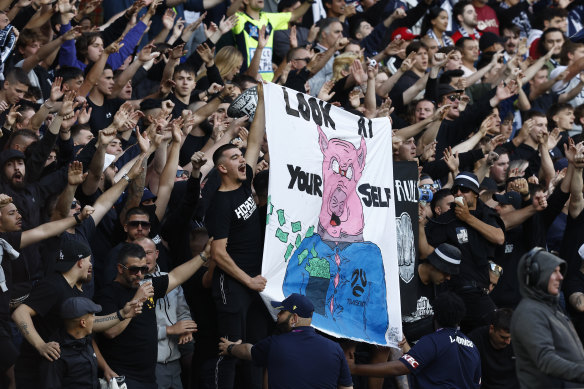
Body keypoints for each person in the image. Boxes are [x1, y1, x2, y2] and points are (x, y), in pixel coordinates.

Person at [205, 82, 270, 388]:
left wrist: (261, 99)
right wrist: (248, 281)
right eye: (234, 158)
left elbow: (255, 140)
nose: (242, 159)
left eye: (241, 157)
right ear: (221, 168)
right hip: (233, 283)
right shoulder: (219, 202)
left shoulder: (245, 185)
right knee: (228, 349)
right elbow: (217, 254)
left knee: (255, 349)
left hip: (254, 281)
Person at [94, 241, 208, 388]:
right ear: (120, 269)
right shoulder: (107, 294)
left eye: (143, 269)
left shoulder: (147, 286)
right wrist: (137, 299)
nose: (140, 275)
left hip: (149, 377)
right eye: (134, 270)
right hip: (122, 376)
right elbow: (110, 332)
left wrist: (204, 255)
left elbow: (176, 277)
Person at [218, 293, 354, 389]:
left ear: (294, 318)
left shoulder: (275, 344)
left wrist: (230, 348)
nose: (278, 315)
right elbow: (347, 387)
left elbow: (248, 351)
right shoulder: (335, 349)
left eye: (282, 311)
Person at [348, 292, 481, 389]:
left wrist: (355, 369)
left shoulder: (433, 341)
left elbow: (400, 368)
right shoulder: (472, 348)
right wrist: (404, 343)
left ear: (435, 316)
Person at [425, 172, 505, 332]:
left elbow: (499, 238)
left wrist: (468, 218)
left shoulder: (485, 214)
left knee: (498, 329)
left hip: (480, 291)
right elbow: (426, 246)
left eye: (464, 190)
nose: (459, 194)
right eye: (456, 191)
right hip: (453, 292)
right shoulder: (447, 219)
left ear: (475, 193)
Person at [511, 247, 584, 388]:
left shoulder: (551, 310)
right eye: (554, 271)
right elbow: (546, 360)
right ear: (535, 274)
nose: (560, 277)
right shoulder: (529, 312)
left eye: (560, 271)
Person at [402, 242, 462, 343]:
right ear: (434, 265)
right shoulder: (406, 278)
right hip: (403, 342)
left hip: (429, 345)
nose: (448, 277)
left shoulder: (441, 286)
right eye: (446, 272)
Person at [39, 297, 102, 389]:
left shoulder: (86, 341)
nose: (94, 319)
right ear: (83, 323)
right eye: (92, 315)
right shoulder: (55, 354)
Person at [468, 308, 518, 389]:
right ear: (492, 329)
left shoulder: (520, 341)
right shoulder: (474, 341)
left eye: (510, 337)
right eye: (503, 337)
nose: (508, 342)